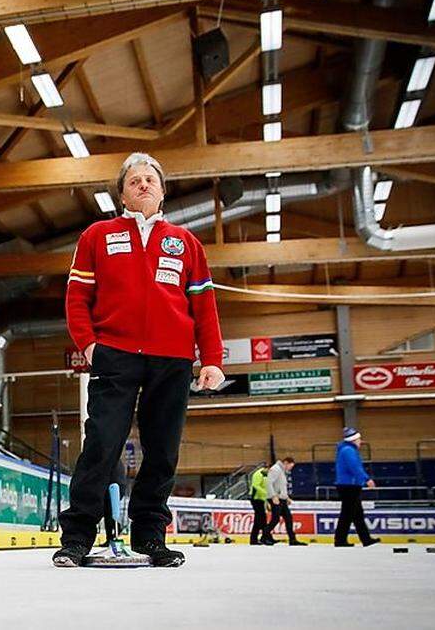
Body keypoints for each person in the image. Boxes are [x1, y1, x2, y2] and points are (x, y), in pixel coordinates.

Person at [54, 152, 225, 568]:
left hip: (173, 359)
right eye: (134, 181)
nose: (143, 185)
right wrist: (90, 344)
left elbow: (204, 307)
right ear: (122, 194)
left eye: (150, 179)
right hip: (115, 355)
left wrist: (212, 359)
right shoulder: (97, 235)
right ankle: (78, 537)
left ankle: (150, 537)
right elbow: (77, 298)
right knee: (101, 444)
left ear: (163, 191)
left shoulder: (187, 244)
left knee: (162, 449)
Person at [334, 427, 380, 547]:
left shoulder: (347, 450)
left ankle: (365, 539)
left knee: (356, 514)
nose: (360, 441)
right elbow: (354, 467)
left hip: (349, 485)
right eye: (359, 439)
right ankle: (340, 540)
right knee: (348, 514)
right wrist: (367, 479)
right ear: (353, 440)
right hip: (349, 486)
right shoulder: (348, 450)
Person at [265, 456, 307, 545]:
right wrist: (273, 496)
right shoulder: (276, 469)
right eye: (290, 466)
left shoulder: (282, 471)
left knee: (288, 519)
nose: (290, 468)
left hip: (282, 498)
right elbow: (269, 483)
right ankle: (264, 536)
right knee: (275, 519)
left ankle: (292, 539)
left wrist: (286, 497)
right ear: (286, 463)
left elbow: (281, 486)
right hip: (276, 498)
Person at [249, 464, 271, 546]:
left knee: (258, 520)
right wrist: (266, 494)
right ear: (267, 468)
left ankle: (254, 539)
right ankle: (266, 537)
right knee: (262, 519)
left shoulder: (266, 475)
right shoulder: (258, 474)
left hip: (262, 499)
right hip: (256, 499)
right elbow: (256, 486)